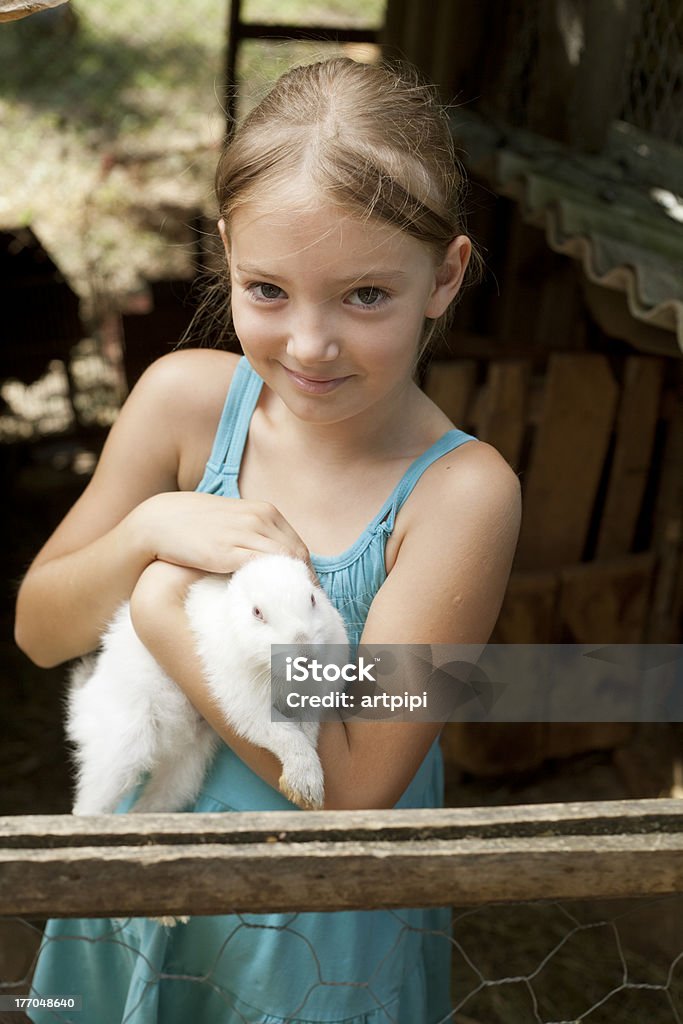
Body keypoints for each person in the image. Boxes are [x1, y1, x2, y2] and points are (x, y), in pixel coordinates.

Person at [15, 57, 521, 1024]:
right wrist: (148, 531)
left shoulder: (459, 496)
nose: (310, 344)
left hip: (307, 929)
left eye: (365, 296)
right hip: (141, 877)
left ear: (444, 277)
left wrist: (166, 611)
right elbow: (41, 629)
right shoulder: (185, 404)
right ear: (226, 253)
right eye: (268, 290)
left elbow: (356, 778)